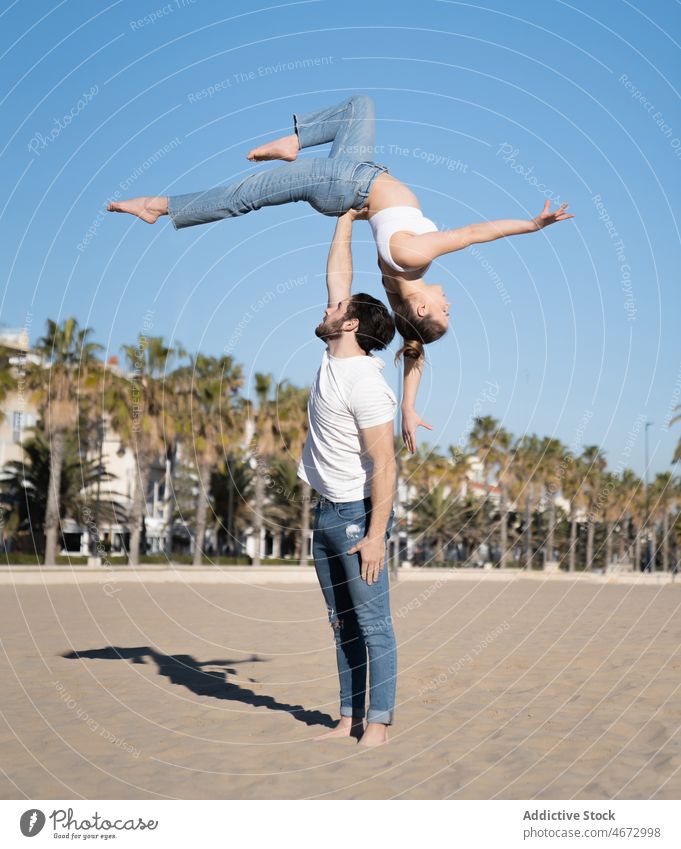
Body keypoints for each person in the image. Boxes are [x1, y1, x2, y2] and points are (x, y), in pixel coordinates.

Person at [108, 95, 573, 449]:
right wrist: (408, 406)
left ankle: (159, 206)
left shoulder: (413, 258)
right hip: (358, 172)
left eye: (446, 312)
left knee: (246, 195)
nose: (452, 305)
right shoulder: (399, 286)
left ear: (425, 305)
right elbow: (414, 347)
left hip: (346, 182)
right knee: (360, 107)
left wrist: (532, 225)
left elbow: (475, 232)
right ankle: (295, 141)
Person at [299, 209, 397, 747]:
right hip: (326, 511)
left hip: (361, 515)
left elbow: (385, 463)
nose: (328, 307)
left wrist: (376, 535)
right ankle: (347, 717)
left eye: (337, 308)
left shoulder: (364, 383)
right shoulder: (332, 356)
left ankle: (377, 723)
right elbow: (338, 273)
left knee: (374, 623)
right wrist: (347, 218)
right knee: (342, 623)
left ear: (351, 324)